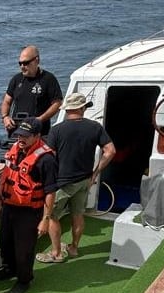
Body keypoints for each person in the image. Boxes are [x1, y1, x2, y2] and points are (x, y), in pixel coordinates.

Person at [36, 92, 116, 263]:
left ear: (68, 109)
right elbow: (110, 151)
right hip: (84, 180)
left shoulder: (57, 130)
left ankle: (56, 253)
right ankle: (73, 248)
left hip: (62, 183)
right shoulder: (95, 127)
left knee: (52, 216)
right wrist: (95, 174)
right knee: (78, 215)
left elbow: (49, 158)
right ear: (82, 108)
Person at [0, 118, 57, 293]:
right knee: (5, 242)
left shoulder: (46, 160)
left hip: (29, 212)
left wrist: (45, 219)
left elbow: (50, 192)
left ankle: (24, 280)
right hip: (9, 207)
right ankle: (9, 269)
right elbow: (6, 178)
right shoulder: (16, 150)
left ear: (36, 136)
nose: (21, 139)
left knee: (24, 250)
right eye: (19, 135)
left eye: (26, 136)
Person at [0, 45, 63, 137]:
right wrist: (5, 117)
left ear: (36, 60)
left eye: (26, 63)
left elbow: (57, 104)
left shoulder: (48, 79)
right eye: (20, 63)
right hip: (17, 131)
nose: (22, 66)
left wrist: (40, 119)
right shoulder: (16, 79)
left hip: (38, 132)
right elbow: (6, 101)